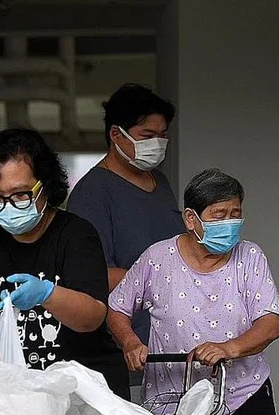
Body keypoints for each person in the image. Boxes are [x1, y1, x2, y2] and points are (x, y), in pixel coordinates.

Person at [107, 169, 279, 415]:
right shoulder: (157, 258)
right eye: (219, 215)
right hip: (171, 405)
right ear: (191, 218)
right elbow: (117, 308)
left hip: (242, 398)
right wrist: (130, 341)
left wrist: (228, 349)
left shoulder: (250, 257)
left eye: (235, 215)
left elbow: (270, 324)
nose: (229, 223)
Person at [0, 128, 129, 399]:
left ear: (45, 187)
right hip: (8, 396)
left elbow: (92, 316)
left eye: (20, 194)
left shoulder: (76, 235)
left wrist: (47, 294)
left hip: (80, 395)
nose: (9, 205)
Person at [68, 84, 182, 397]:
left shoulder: (161, 184)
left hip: (172, 348)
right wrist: (162, 276)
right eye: (147, 136)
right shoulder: (91, 194)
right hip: (123, 353)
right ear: (117, 135)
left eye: (163, 136)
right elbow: (90, 277)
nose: (157, 144)